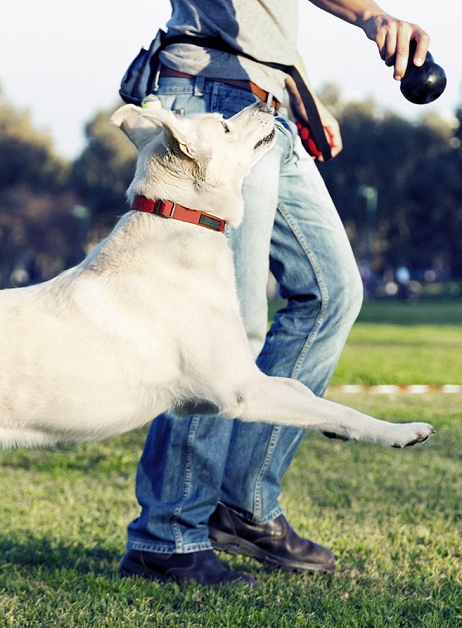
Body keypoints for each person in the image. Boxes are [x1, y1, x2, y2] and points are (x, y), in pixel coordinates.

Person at [117, 0, 432, 586]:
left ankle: (242, 504)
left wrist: (297, 87)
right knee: (226, 331)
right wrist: (368, 16)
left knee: (332, 292)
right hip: (210, 104)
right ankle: (168, 534)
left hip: (265, 107)